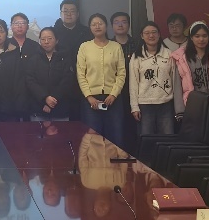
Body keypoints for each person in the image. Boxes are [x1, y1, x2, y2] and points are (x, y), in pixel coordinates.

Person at [77, 14, 126, 145]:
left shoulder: (116, 47)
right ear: (90, 27)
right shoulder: (84, 47)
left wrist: (113, 94)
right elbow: (81, 74)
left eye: (100, 23)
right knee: (93, 139)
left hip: (113, 99)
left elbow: (121, 73)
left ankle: (114, 159)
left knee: (116, 137)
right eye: (94, 24)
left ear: (106, 26)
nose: (97, 26)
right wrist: (89, 97)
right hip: (91, 100)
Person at [129, 22, 176, 136]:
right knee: (147, 138)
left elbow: (174, 80)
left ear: (159, 34)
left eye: (154, 32)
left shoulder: (169, 54)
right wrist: (134, 107)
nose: (151, 35)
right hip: (145, 104)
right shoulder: (137, 57)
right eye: (147, 33)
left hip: (166, 103)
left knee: (167, 137)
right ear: (142, 36)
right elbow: (133, 83)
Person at [170, 21, 209, 114]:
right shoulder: (182, 58)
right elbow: (177, 86)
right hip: (193, 105)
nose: (201, 39)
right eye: (197, 36)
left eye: (204, 36)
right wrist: (180, 111)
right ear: (191, 37)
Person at [26, 26, 76, 121]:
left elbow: (67, 81)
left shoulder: (65, 58)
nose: (46, 42)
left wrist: (52, 99)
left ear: (56, 40)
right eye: (43, 39)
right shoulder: (34, 59)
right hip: (39, 108)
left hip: (61, 109)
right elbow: (30, 81)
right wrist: (45, 98)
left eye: (50, 38)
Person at [111, 11, 138, 151]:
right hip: (115, 91)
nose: (120, 25)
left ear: (129, 25)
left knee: (134, 124)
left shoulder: (138, 44)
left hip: (136, 90)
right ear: (112, 26)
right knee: (117, 124)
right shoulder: (108, 45)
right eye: (116, 22)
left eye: (124, 22)